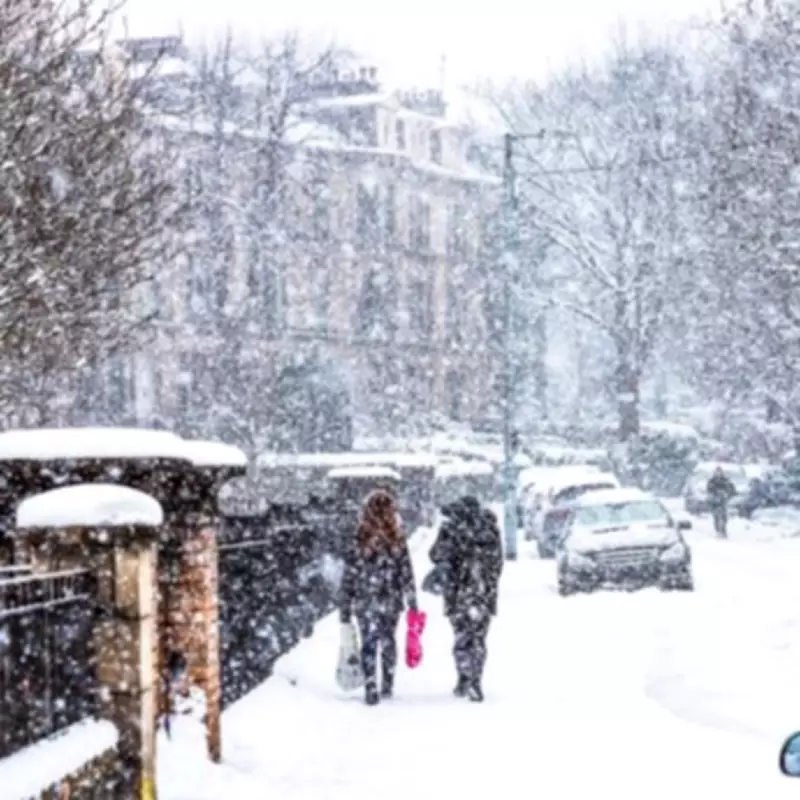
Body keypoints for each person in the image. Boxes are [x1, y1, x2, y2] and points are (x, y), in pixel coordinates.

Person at [339, 489, 418, 706]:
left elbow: (349, 575)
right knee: (388, 640)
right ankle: (388, 682)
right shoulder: (397, 538)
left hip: (365, 599)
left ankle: (370, 683)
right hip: (390, 599)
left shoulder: (360, 538)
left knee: (369, 642)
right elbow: (406, 572)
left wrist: (345, 606)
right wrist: (412, 602)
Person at [429, 496, 503, 702]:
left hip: (457, 594)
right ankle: (476, 679)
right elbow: (497, 563)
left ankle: (464, 677)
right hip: (483, 594)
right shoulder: (489, 530)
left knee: (461, 636)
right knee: (479, 638)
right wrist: (488, 584)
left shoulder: (451, 530)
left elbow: (434, 555)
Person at [706, 466, 736, 538]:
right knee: (716, 516)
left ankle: (723, 530)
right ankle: (718, 530)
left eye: (719, 472)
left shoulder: (726, 480)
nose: (718, 474)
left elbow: (731, 489)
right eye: (717, 472)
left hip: (723, 501)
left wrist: (727, 494)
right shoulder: (711, 481)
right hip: (715, 501)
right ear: (714, 473)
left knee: (724, 517)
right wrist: (715, 493)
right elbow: (709, 489)